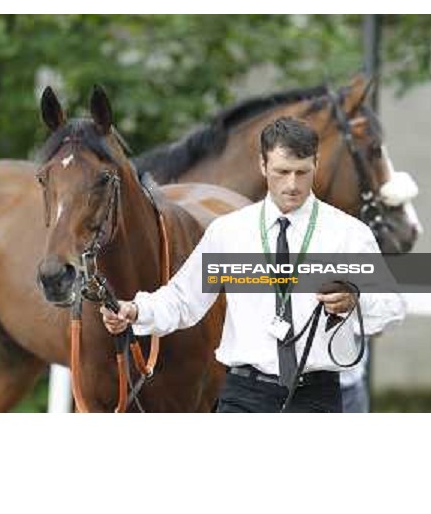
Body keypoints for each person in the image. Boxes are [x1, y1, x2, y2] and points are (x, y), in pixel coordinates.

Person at [101, 117, 405, 413]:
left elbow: (391, 308)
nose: (292, 184)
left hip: (317, 397)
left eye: (302, 172)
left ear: (316, 163)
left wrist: (355, 301)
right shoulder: (228, 231)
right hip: (243, 397)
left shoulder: (349, 235)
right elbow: (183, 301)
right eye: (282, 171)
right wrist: (137, 310)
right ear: (263, 165)